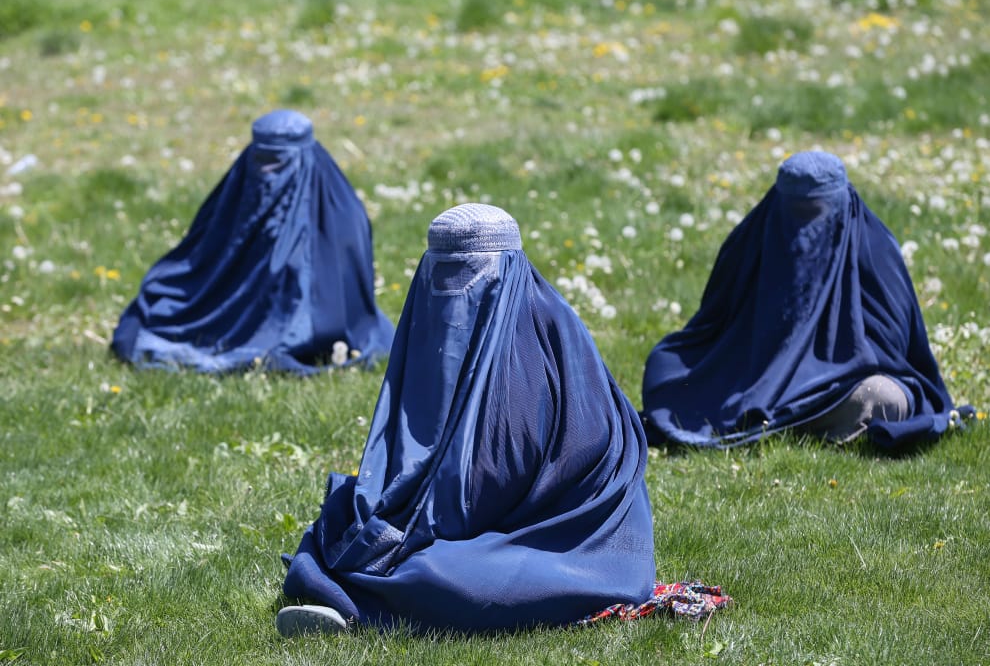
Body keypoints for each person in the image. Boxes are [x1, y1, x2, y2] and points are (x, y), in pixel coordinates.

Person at [277, 203, 656, 635]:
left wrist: (425, 519)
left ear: (507, 269)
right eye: (441, 276)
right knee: (350, 524)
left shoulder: (548, 341)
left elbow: (540, 473)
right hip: (470, 523)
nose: (452, 293)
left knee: (445, 575)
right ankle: (371, 595)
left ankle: (359, 605)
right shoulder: (429, 332)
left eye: (467, 275)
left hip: (563, 538)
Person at [641, 150, 970, 450]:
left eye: (818, 212)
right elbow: (715, 326)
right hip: (756, 384)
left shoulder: (875, 249)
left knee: (885, 397)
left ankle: (783, 421)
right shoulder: (749, 243)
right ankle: (803, 422)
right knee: (664, 366)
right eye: (796, 212)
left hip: (842, 387)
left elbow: (895, 346)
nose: (805, 229)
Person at [111, 109, 394, 374]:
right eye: (262, 160)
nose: (268, 172)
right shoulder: (236, 199)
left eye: (278, 162)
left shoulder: (342, 213)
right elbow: (205, 260)